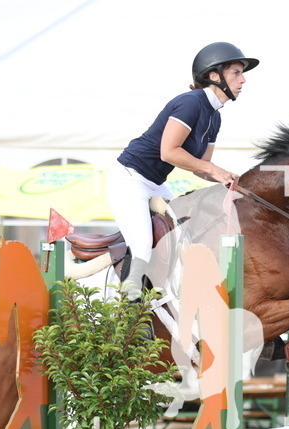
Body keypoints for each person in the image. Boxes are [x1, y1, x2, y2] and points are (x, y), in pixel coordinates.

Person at [108, 41, 258, 298]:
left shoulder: (215, 116)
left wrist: (227, 177)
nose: (243, 80)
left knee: (183, 240)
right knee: (143, 246)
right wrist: (213, 169)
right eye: (236, 73)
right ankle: (128, 307)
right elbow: (170, 152)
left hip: (155, 182)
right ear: (214, 75)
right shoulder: (191, 103)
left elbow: (198, 166)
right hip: (130, 179)